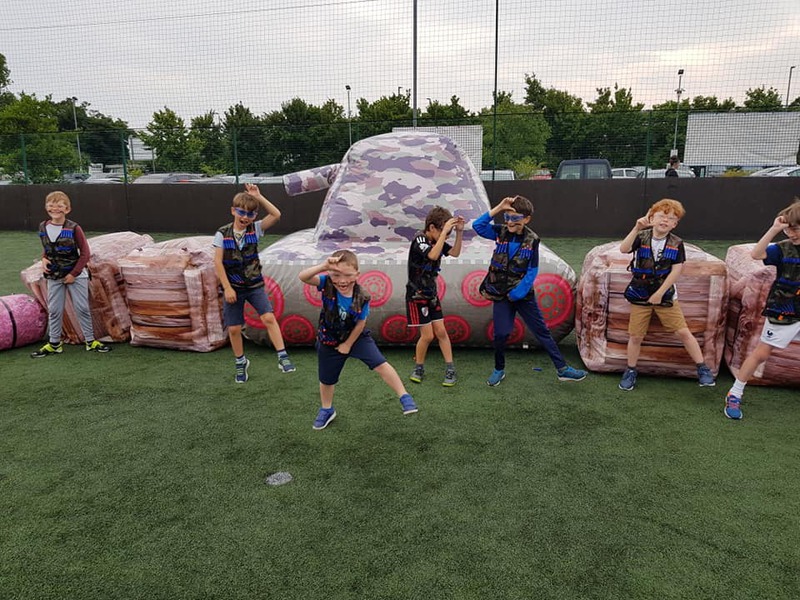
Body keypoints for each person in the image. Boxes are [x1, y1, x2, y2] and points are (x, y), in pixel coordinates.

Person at [473, 195, 587, 386]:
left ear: (526, 219)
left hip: (522, 295)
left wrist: (520, 291)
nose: (510, 222)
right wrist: (500, 207)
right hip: (501, 294)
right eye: (507, 217)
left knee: (542, 331)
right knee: (501, 334)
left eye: (515, 218)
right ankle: (499, 369)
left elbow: (532, 269)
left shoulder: (532, 239)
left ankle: (562, 369)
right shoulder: (500, 232)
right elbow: (478, 226)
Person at [299, 250, 417, 430]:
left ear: (357, 274)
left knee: (380, 363)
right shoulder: (326, 283)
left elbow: (361, 323)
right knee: (326, 379)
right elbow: (303, 277)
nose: (342, 280)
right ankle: (327, 409)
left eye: (348, 275)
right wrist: (324, 266)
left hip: (356, 337)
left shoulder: (363, 296)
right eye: (336, 275)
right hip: (329, 339)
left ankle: (404, 396)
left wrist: (348, 344)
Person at [618, 198, 715, 390]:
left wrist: (660, 293)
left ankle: (703, 368)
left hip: (665, 295)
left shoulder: (677, 243)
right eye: (662, 215)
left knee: (683, 332)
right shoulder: (641, 236)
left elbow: (676, 271)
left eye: (671, 218)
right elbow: (624, 249)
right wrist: (636, 228)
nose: (665, 220)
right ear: (652, 218)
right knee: (636, 336)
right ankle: (630, 370)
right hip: (640, 294)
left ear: (675, 224)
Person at [724, 200, 800, 420]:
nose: (790, 233)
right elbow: (756, 254)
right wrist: (775, 229)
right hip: (785, 309)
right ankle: (735, 393)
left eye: (795, 228)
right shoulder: (783, 248)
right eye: (788, 229)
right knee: (762, 353)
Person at [213, 183, 295, 383]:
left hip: (254, 285)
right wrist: (228, 288)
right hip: (234, 288)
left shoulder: (255, 229)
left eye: (250, 214)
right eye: (241, 212)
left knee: (268, 317)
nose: (245, 217)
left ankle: (282, 356)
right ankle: (241, 362)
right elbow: (217, 262)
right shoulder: (222, 233)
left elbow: (276, 215)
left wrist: (258, 197)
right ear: (233, 211)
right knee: (234, 328)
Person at [31, 191, 111, 357]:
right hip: (54, 276)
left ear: (67, 209)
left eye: (60, 205)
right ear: (46, 207)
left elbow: (85, 253)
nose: (55, 208)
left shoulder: (74, 228)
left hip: (76, 274)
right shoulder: (43, 227)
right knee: (54, 310)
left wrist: (74, 273)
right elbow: (49, 247)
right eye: (51, 205)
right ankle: (54, 343)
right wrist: (44, 259)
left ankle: (90, 341)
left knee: (82, 308)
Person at [406, 206, 465, 387]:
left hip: (431, 294)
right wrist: (444, 232)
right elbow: (432, 255)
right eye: (443, 232)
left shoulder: (438, 240)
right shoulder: (420, 240)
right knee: (427, 335)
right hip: (416, 296)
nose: (445, 238)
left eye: (447, 235)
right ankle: (419, 367)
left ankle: (450, 368)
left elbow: (455, 253)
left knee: (441, 332)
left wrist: (459, 233)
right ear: (432, 228)